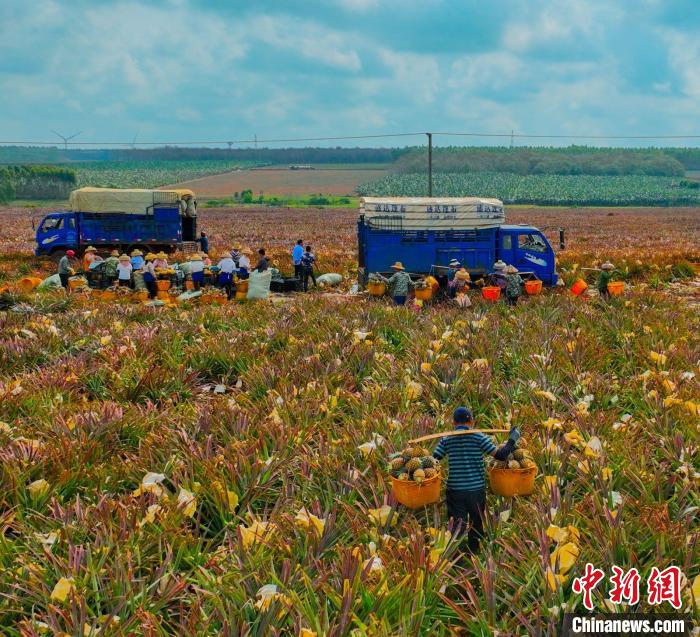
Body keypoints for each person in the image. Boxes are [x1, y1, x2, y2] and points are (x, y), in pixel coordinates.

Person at [433, 407, 521, 553]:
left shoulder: (447, 438)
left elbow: (435, 459)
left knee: (457, 526)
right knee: (476, 522)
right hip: (476, 489)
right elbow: (500, 455)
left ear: (453, 422)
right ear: (471, 421)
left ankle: (457, 557)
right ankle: (475, 553)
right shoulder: (478, 437)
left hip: (455, 490)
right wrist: (512, 439)